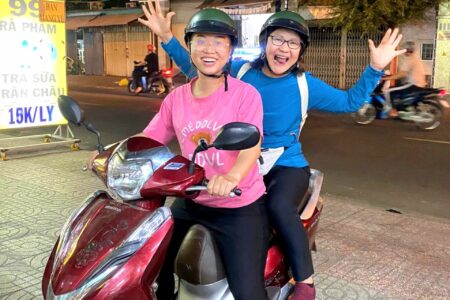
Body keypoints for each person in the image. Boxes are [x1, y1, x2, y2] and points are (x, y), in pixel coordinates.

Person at [139, 2, 405, 299]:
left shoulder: (305, 85)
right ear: (265, 44)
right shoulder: (240, 72)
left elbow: (349, 102)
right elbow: (200, 65)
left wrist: (375, 68)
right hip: (231, 158)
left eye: (293, 43)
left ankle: (305, 280)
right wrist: (167, 38)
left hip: (282, 162)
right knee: (159, 242)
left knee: (277, 207)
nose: (284, 48)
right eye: (277, 39)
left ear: (300, 51)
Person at [383, 41, 426, 116]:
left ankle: (393, 110)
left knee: (389, 90)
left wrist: (387, 78)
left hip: (413, 84)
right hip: (418, 84)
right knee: (398, 89)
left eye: (404, 49)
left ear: (406, 50)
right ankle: (402, 109)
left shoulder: (410, 59)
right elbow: (402, 73)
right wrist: (391, 76)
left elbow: (402, 74)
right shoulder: (414, 58)